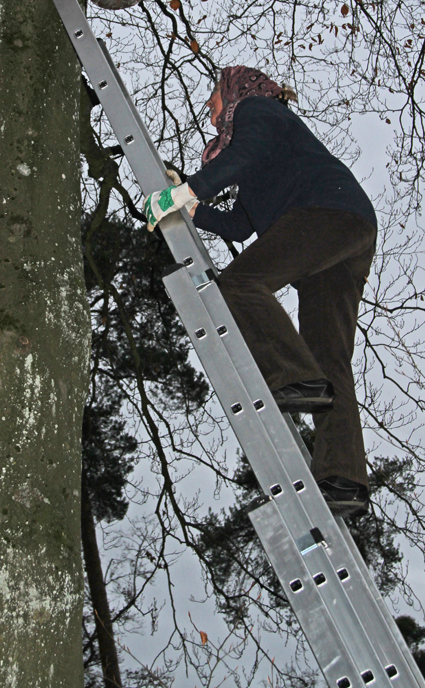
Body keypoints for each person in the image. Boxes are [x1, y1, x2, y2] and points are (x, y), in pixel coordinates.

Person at [143, 66, 377, 516]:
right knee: (330, 357)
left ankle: (293, 375)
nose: (211, 118)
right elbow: (242, 223)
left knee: (238, 285)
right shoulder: (260, 160)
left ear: (228, 92)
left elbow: (245, 152)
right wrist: (193, 208)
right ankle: (343, 479)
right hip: (345, 229)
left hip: (325, 212)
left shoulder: (258, 109)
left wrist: (189, 188)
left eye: (212, 105)